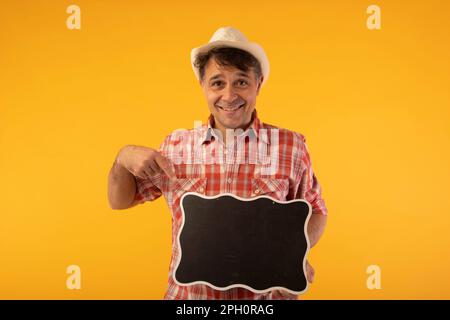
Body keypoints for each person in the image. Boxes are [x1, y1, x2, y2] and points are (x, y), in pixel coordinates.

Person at [107, 26, 328, 300]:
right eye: (217, 83)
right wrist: (122, 158)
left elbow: (316, 210)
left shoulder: (291, 146)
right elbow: (119, 201)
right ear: (203, 86)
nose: (229, 95)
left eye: (241, 82)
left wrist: (293, 254)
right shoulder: (175, 147)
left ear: (258, 84)